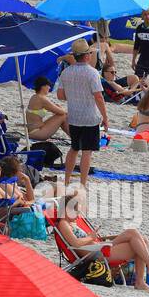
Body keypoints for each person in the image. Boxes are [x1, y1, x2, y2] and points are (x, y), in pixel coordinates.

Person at [56, 38, 109, 191]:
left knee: (74, 149)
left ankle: (66, 180)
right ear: (86, 56)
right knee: (87, 151)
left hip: (74, 116)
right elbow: (98, 97)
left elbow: (60, 95)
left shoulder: (66, 72)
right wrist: (105, 118)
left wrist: (73, 95)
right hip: (90, 117)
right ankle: (82, 184)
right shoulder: (92, 73)